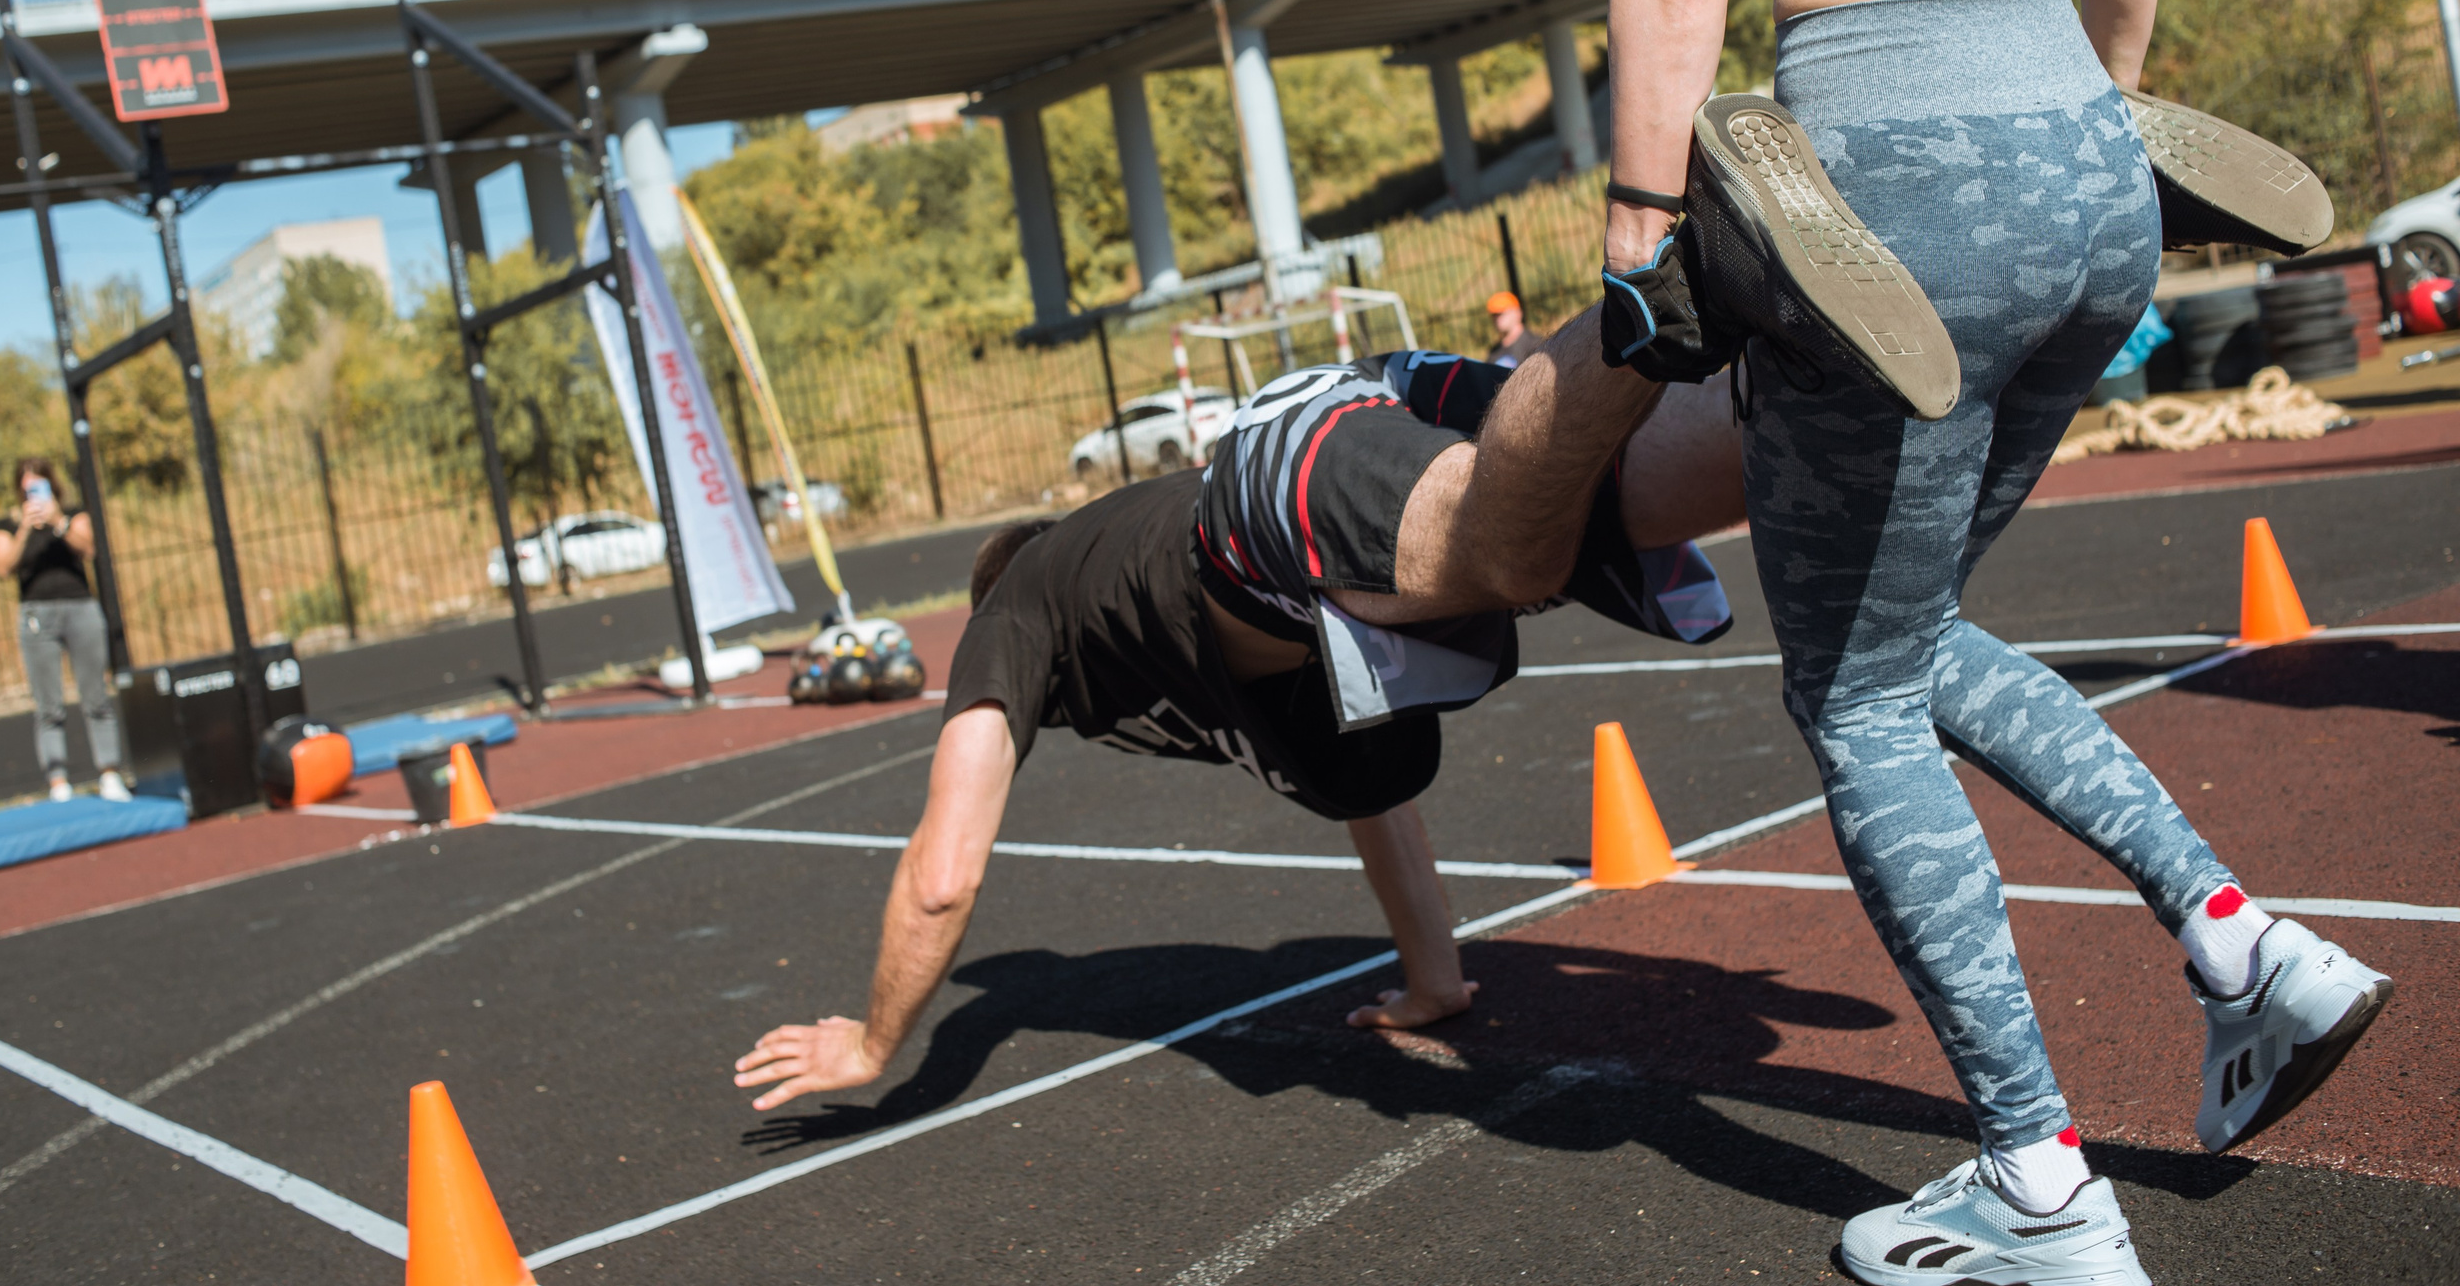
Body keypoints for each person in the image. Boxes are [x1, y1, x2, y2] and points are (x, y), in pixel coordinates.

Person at [1596, 0, 2389, 1278]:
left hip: (1887, 172)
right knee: (1914, 630)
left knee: (1854, 688)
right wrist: (2079, 122)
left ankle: (2038, 1183)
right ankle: (2244, 943)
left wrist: (1636, 230)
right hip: (2088, 172)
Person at [735, 311, 1748, 1111]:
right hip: (1305, 522)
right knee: (1601, 503)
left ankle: (1681, 281)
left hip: (1270, 488)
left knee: (1539, 515)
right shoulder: (1130, 611)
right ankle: (1791, 379)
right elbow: (1374, 796)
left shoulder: (1017, 606)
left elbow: (942, 877)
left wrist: (869, 1044)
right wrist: (1431, 982)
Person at [0, 457, 127, 804]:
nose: (32, 494)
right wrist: (25, 527)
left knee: (96, 695)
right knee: (48, 704)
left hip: (79, 607)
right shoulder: (8, 524)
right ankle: (58, 782)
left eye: (39, 485)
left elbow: (90, 548)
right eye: (27, 488)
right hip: (37, 613)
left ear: (52, 485)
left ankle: (110, 774)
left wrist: (57, 521)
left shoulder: (72, 514)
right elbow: (3, 566)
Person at [1486, 290, 1545, 369]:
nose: (1497, 318)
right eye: (1494, 315)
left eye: (1501, 313)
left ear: (1518, 313)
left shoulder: (1536, 344)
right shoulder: (1494, 352)